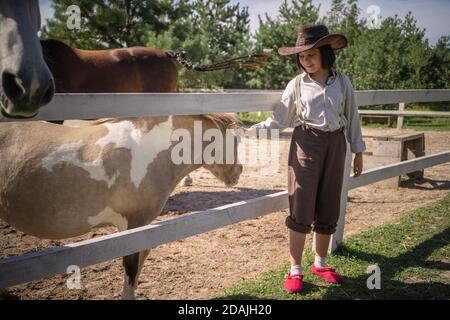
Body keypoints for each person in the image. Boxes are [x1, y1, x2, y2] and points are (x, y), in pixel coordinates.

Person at [243, 24, 366, 293]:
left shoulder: (342, 82)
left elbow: (353, 117)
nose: (305, 61)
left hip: (336, 144)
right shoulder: (296, 85)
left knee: (329, 201)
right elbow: (279, 119)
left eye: (310, 54)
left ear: (324, 53)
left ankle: (320, 263)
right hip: (306, 143)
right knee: (301, 202)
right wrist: (252, 130)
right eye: (301, 56)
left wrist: (358, 151)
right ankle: (295, 268)